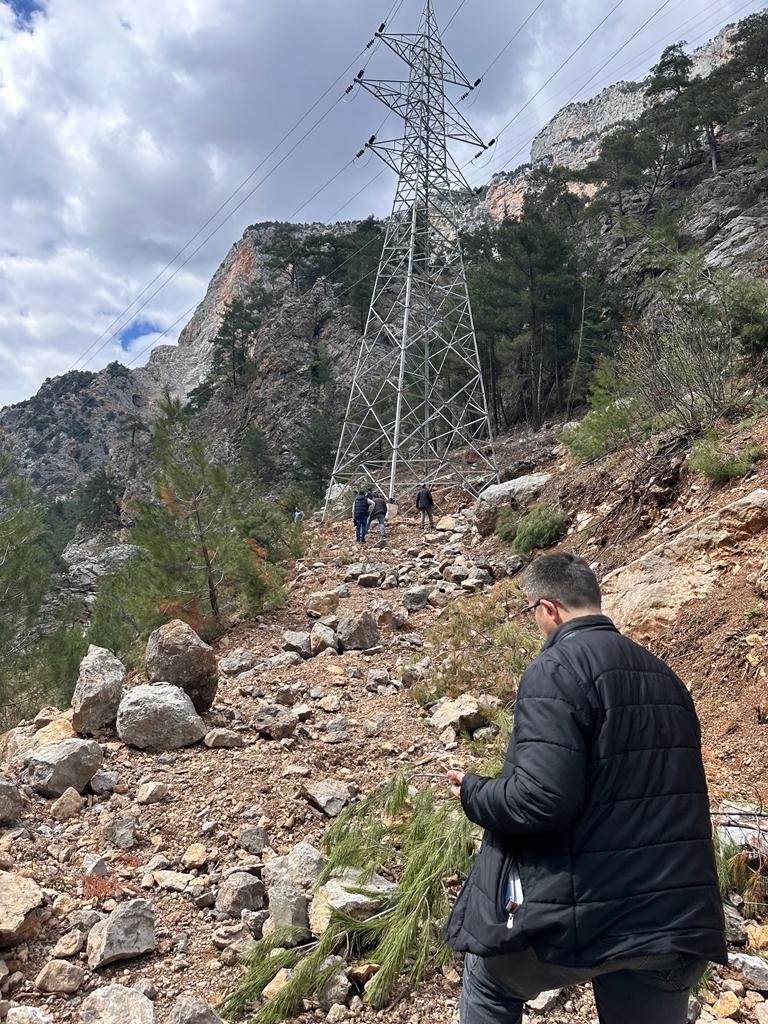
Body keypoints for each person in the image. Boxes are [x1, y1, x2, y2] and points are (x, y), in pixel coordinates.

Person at [445, 552, 726, 1024]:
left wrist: (474, 792)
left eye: (530, 611)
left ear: (548, 608)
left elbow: (540, 800)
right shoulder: (667, 678)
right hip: (672, 920)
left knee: (489, 979)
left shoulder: (555, 669)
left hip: (586, 917)